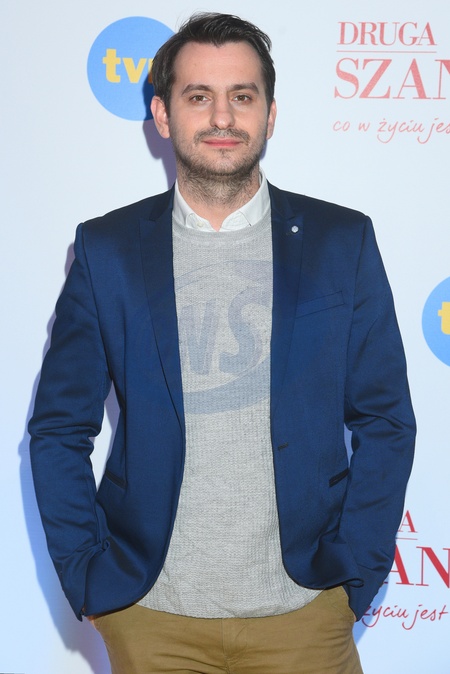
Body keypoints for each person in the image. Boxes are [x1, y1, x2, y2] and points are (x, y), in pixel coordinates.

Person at [29, 12, 416, 674]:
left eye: (242, 95)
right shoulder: (107, 250)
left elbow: (385, 421)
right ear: (162, 114)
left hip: (306, 614)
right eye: (198, 96)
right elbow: (58, 429)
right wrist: (87, 575)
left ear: (270, 114)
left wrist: (355, 576)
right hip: (152, 619)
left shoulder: (341, 242)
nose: (222, 117)